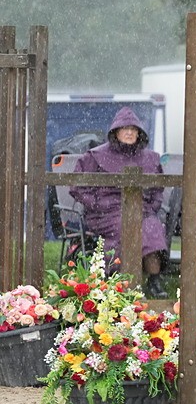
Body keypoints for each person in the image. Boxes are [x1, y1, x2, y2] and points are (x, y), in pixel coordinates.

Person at [71, 107, 169, 297]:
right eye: (125, 128)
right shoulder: (94, 156)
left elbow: (158, 189)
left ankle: (154, 281)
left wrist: (152, 207)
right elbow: (77, 187)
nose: (129, 132)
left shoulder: (150, 158)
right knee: (126, 227)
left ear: (139, 132)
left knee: (152, 227)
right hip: (105, 215)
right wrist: (98, 204)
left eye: (134, 128)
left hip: (142, 211)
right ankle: (118, 282)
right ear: (116, 131)